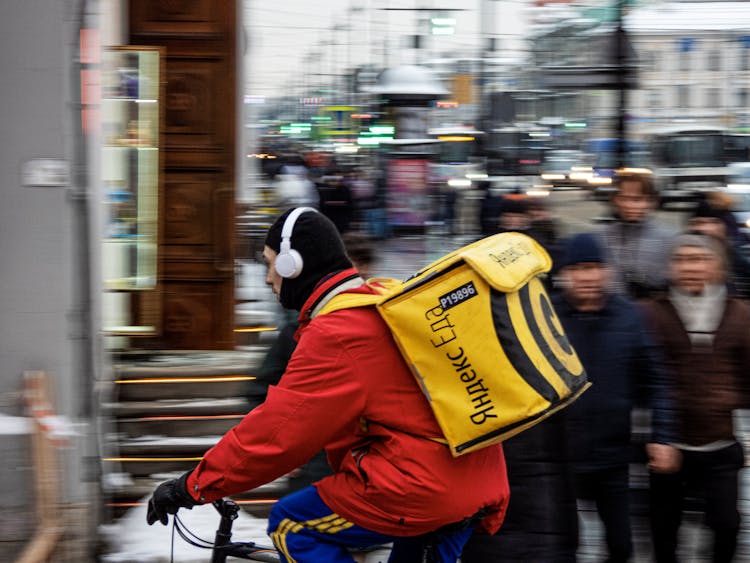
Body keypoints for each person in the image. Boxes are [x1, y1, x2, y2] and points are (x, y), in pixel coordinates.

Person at [146, 207, 510, 562]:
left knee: (292, 524)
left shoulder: (340, 332)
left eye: (270, 262)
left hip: (422, 487)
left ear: (294, 265)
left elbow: (276, 436)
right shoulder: (380, 300)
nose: (267, 277)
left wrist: (192, 486)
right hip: (475, 478)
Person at [552, 233, 678, 562]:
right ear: (564, 273)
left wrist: (662, 436)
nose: (588, 276)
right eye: (579, 268)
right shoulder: (546, 317)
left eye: (595, 267)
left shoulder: (630, 316)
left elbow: (656, 380)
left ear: (607, 271)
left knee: (621, 546)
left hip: (613, 458)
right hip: (562, 457)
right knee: (564, 546)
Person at [643, 233, 750, 563]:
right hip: (670, 443)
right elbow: (643, 377)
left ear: (717, 267)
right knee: (663, 528)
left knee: (726, 523)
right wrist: (651, 435)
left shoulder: (740, 314)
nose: (691, 267)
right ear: (671, 267)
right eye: (683, 259)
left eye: (700, 259)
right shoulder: (652, 314)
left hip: (720, 443)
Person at [598, 169, 677, 299]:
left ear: (651, 202)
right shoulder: (599, 238)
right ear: (614, 200)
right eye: (624, 198)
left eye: (638, 199)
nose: (630, 205)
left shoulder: (669, 240)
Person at [686, 195, 750, 300]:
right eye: (699, 223)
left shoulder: (734, 255)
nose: (706, 228)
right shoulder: (683, 252)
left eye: (713, 222)